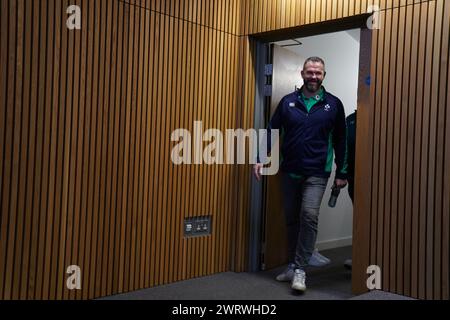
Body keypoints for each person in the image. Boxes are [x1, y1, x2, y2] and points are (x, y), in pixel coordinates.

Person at [254, 57, 348, 292]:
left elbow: (341, 140)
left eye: (318, 73)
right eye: (309, 72)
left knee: (308, 215)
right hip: (290, 171)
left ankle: (300, 269)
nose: (313, 76)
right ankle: (293, 262)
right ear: (302, 73)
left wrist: (342, 171)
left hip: (318, 172)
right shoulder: (288, 102)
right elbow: (272, 129)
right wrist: (260, 157)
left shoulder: (333, 104)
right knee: (292, 219)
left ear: (324, 75)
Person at [344, 110, 357, 270]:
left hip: (379, 179)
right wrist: (343, 173)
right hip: (355, 178)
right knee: (360, 219)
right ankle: (360, 256)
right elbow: (344, 148)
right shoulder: (350, 120)